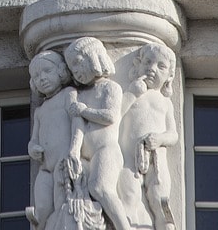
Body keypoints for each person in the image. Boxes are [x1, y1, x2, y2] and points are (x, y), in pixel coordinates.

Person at [64, 37, 130, 230]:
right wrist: (73, 151)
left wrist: (84, 111)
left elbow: (110, 116)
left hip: (106, 150)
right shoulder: (81, 94)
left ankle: (123, 226)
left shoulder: (111, 87)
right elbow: (78, 126)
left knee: (100, 188)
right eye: (71, 67)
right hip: (86, 156)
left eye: (77, 63)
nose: (75, 70)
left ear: (93, 57)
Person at [119, 43, 178, 230]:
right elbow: (116, 114)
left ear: (169, 76)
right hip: (128, 158)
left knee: (159, 197)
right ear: (138, 64)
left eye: (160, 66)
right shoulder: (131, 93)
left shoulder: (165, 102)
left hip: (156, 158)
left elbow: (173, 134)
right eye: (148, 62)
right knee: (129, 195)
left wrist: (159, 139)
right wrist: (132, 93)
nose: (152, 69)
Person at [27, 51, 75, 230]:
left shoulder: (68, 94)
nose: (42, 79)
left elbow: (77, 124)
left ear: (61, 71)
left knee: (62, 208)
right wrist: (33, 148)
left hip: (63, 166)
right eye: (37, 76)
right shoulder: (40, 111)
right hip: (46, 169)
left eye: (47, 71)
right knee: (42, 208)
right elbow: (34, 140)